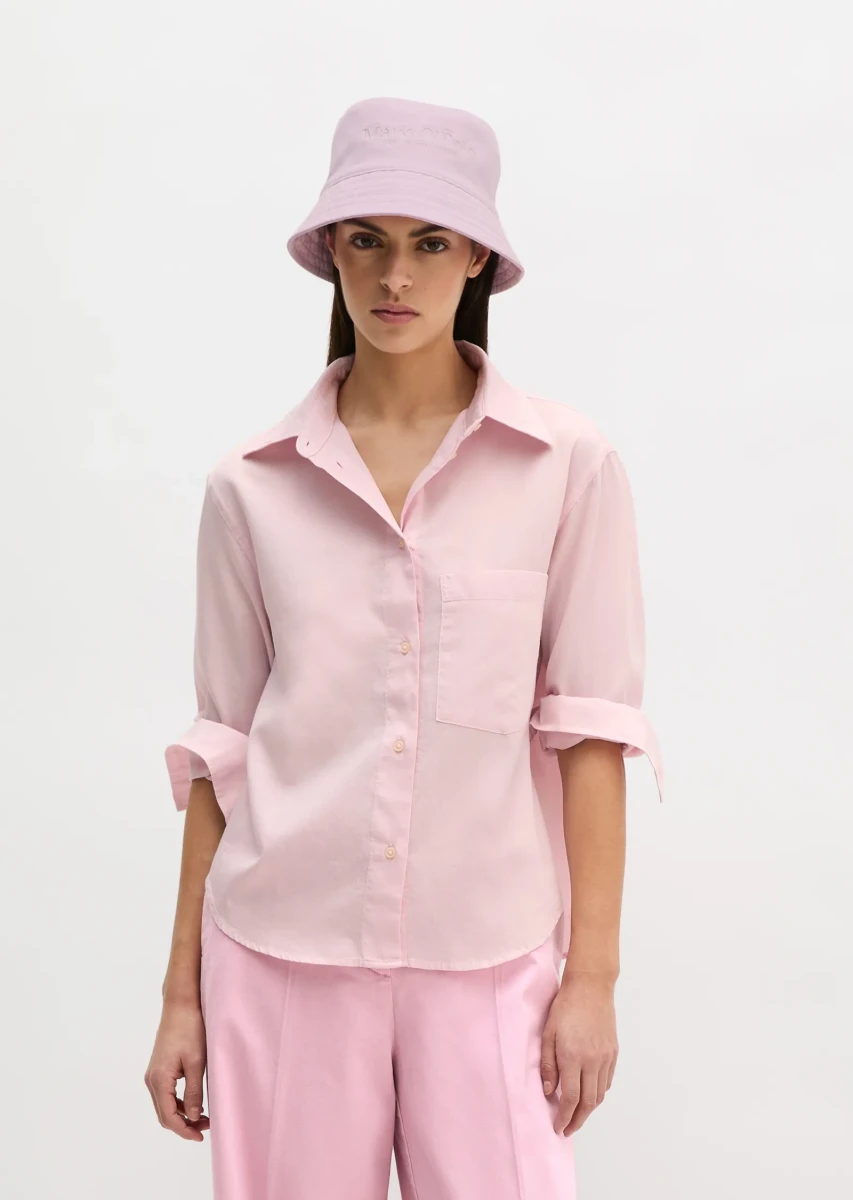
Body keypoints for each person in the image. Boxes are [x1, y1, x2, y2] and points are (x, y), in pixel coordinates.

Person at [144, 95, 664, 1200]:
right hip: (280, 952)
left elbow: (590, 734)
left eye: (431, 243)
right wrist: (180, 996)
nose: (395, 276)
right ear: (330, 250)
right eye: (367, 240)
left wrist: (594, 979)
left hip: (490, 958)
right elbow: (223, 748)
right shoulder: (250, 485)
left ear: (477, 258)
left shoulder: (565, 466)